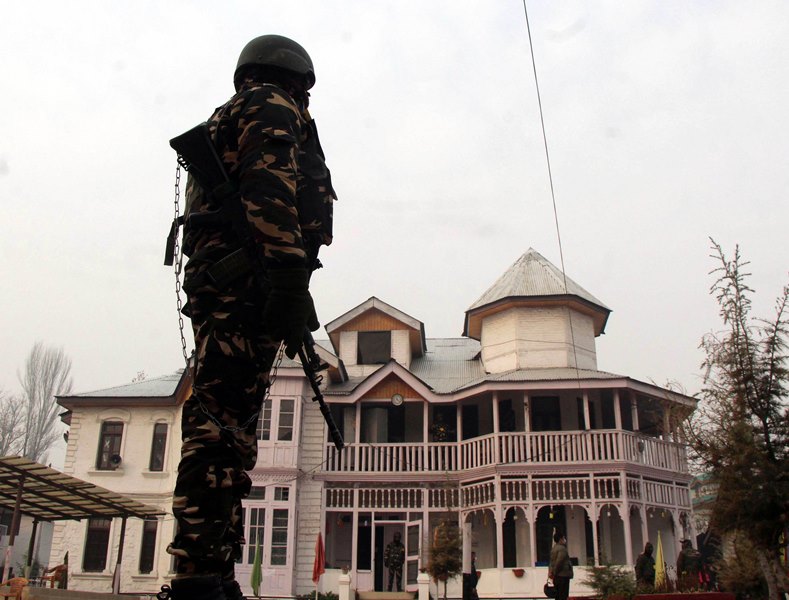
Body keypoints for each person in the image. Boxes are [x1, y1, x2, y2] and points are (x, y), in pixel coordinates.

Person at [161, 34, 336, 600]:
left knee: (228, 432)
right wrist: (287, 277)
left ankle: (210, 571)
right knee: (220, 431)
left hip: (234, 286)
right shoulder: (269, 105)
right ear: (295, 78)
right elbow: (268, 190)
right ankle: (199, 579)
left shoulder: (231, 114)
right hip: (246, 286)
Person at [548, 532, 573, 600]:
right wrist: (555, 572)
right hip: (562, 575)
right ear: (560, 539)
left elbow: (551, 562)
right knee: (563, 595)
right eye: (563, 538)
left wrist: (551, 572)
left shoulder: (554, 548)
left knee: (558, 595)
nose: (564, 539)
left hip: (557, 576)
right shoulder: (562, 549)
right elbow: (559, 562)